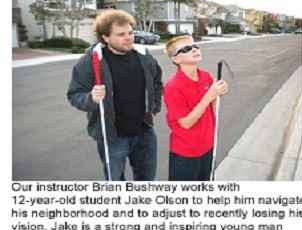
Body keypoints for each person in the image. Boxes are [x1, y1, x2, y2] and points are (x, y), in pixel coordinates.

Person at [67, 9, 163, 181]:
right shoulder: (91, 61)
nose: (129, 38)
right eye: (121, 34)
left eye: (130, 33)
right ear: (105, 37)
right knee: (115, 181)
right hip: (112, 136)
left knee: (146, 179)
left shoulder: (144, 57)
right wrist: (92, 99)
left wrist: (154, 107)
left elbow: (157, 83)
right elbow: (75, 94)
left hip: (144, 132)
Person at [163, 35, 228, 181]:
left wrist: (217, 93)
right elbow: (185, 123)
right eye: (186, 49)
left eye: (195, 46)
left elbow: (211, 107)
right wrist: (209, 96)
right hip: (186, 153)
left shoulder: (206, 77)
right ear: (176, 59)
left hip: (208, 146)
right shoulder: (173, 87)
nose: (194, 49)